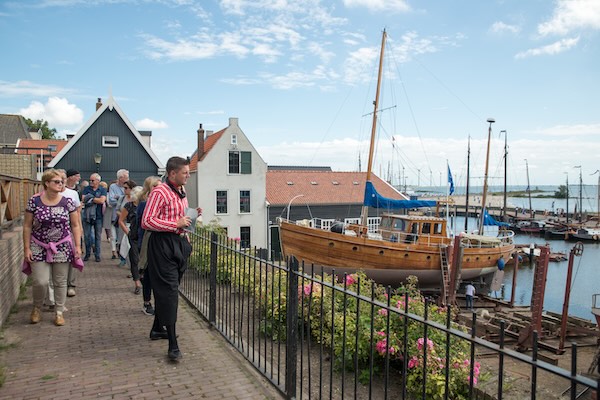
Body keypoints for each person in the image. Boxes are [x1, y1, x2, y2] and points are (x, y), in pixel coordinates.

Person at [142, 157, 199, 361]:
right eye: (185, 172)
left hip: (179, 244)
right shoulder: (160, 192)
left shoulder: (182, 191)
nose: (188, 176)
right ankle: (173, 345)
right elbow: (147, 220)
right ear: (172, 173)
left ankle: (158, 328)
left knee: (168, 291)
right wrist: (175, 224)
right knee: (170, 292)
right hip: (163, 245)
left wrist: (190, 222)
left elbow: (182, 218)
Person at [23, 169, 82, 326]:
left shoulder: (67, 202)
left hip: (62, 246)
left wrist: (77, 246)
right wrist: (27, 248)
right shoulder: (34, 202)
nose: (60, 184)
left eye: (61, 182)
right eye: (56, 182)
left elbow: (75, 225)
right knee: (40, 281)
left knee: (60, 281)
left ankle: (59, 311)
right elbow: (27, 225)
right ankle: (37, 307)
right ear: (47, 183)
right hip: (39, 245)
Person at [137, 176, 162, 316]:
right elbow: (142, 225)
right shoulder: (144, 204)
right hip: (147, 242)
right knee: (148, 275)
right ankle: (147, 303)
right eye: (155, 186)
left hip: (158, 243)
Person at [118, 184, 142, 294]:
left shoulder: (145, 205)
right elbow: (121, 220)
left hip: (143, 235)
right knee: (134, 258)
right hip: (133, 235)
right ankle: (137, 283)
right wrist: (127, 232)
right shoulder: (129, 206)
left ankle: (143, 279)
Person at [64, 169, 83, 297]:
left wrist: (79, 229)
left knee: (72, 256)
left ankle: (71, 284)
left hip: (70, 227)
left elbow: (77, 213)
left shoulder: (72, 194)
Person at [82, 173, 107, 262]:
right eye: (90, 180)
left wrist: (91, 198)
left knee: (98, 236)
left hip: (98, 216)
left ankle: (97, 255)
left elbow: (102, 200)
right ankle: (87, 254)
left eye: (92, 180)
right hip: (87, 216)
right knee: (87, 236)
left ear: (98, 181)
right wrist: (96, 199)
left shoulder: (103, 189)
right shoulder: (86, 189)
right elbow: (84, 199)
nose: (91, 182)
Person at [109, 169, 129, 266]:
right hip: (116, 216)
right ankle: (118, 254)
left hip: (127, 219)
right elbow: (111, 200)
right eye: (126, 177)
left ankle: (124, 258)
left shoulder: (130, 186)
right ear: (120, 178)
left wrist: (118, 198)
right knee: (117, 237)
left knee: (125, 239)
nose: (128, 179)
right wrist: (121, 201)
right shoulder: (113, 186)